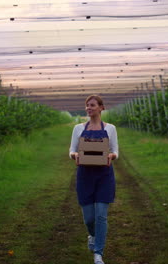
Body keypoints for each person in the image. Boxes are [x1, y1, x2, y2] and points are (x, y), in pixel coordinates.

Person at [69, 95, 118, 264]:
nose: (88, 108)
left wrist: (111, 155)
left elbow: (115, 151)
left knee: (101, 216)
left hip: (104, 175)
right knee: (89, 218)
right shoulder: (78, 128)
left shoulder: (110, 128)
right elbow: (72, 150)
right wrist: (75, 155)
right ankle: (92, 235)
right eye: (87, 106)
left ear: (101, 108)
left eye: (92, 105)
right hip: (85, 176)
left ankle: (98, 253)